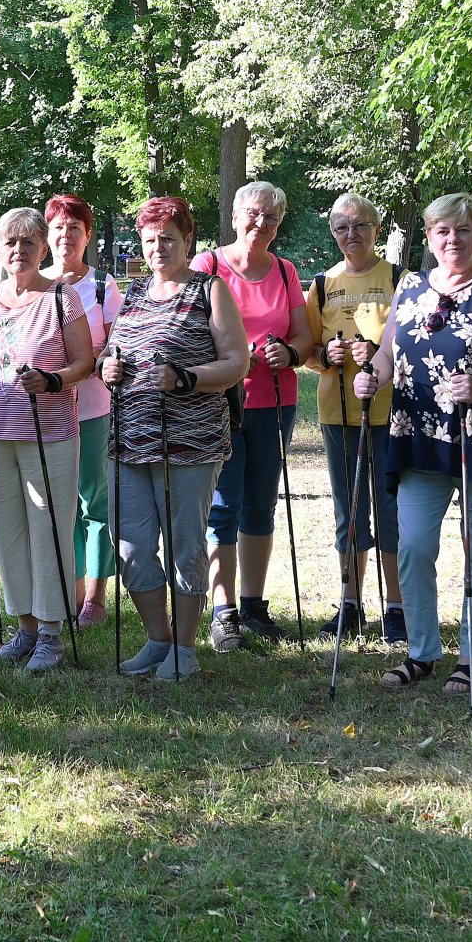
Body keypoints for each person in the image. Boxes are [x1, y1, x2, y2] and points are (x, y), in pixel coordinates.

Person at [354, 193, 472, 694]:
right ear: (429, 238)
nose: (453, 240)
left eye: (464, 230)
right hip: (416, 439)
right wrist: (371, 378)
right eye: (443, 232)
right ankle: (422, 652)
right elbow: (388, 357)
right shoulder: (408, 287)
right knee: (411, 547)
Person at [99, 197, 250, 680]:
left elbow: (235, 362)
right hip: (129, 441)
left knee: (186, 546)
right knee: (131, 546)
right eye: (149, 239)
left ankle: (185, 648)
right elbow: (113, 351)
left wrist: (185, 377)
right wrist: (108, 367)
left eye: (168, 238)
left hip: (191, 443)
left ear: (188, 241)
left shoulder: (210, 290)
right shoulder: (137, 292)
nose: (158, 247)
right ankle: (157, 639)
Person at [0, 207, 94, 673]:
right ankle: (24, 627)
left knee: (48, 530)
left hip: (48, 435)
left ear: (43, 249)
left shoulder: (62, 297)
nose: (19, 251)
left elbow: (84, 361)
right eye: (10, 243)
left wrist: (50, 380)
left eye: (29, 243)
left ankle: (51, 633)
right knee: (5, 532)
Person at [192, 180, 316, 650]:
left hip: (275, 404)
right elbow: (189, 328)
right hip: (219, 403)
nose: (260, 223)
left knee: (261, 504)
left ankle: (253, 606)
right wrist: (230, 355)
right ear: (236, 215)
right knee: (223, 505)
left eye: (271, 217)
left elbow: (304, 338)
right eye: (254, 213)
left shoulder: (285, 271)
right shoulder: (209, 266)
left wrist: (289, 351)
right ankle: (222, 612)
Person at [303, 192, 403, 642]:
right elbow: (307, 353)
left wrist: (378, 354)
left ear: (376, 230)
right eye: (342, 228)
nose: (351, 235)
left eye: (360, 225)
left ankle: (397, 606)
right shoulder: (322, 284)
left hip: (391, 413)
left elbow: (414, 346)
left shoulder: (400, 278)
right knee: (349, 511)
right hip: (337, 412)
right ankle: (351, 603)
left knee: (390, 510)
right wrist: (329, 353)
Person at [44, 193, 122, 628]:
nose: (66, 236)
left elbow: (115, 341)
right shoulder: (36, 285)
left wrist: (96, 359)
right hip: (46, 412)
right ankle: (69, 591)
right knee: (61, 503)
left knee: (95, 501)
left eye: (75, 228)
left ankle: (95, 596)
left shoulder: (100, 285)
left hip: (92, 407)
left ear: (87, 236)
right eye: (58, 228)